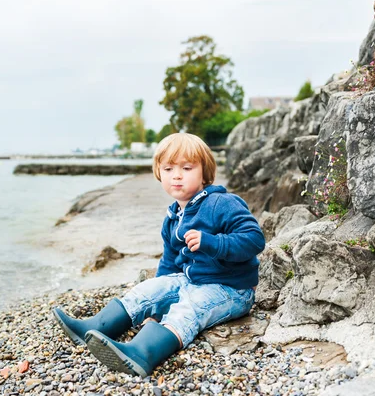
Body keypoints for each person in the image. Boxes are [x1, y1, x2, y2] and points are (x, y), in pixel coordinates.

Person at [53, 133, 266, 377]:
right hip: (191, 279)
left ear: (204, 173)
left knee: (190, 308)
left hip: (230, 288)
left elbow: (254, 239)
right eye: (168, 169)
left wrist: (212, 243)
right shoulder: (174, 216)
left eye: (186, 168)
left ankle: (142, 352)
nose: (177, 175)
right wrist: (158, 302)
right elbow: (169, 263)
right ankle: (97, 326)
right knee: (146, 291)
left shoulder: (222, 203)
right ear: (159, 173)